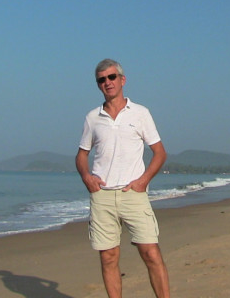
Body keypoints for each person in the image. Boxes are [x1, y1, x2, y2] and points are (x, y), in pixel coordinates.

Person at [75, 59, 170, 298]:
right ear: (98, 85)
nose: (107, 82)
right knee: (108, 257)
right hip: (103, 197)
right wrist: (87, 177)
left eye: (111, 77)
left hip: (133, 194)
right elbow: (82, 154)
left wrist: (143, 181)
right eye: (102, 79)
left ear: (122, 80)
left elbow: (159, 152)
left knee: (150, 253)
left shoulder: (140, 113)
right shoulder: (92, 118)